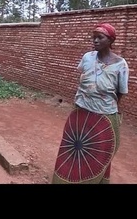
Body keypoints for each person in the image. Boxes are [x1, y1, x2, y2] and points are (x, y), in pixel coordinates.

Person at [52, 23, 129, 184]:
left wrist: (108, 105)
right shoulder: (88, 57)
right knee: (73, 148)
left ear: (110, 40)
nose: (95, 40)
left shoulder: (121, 64)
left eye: (100, 37)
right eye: (93, 37)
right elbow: (83, 76)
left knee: (98, 153)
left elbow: (121, 91)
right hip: (81, 111)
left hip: (104, 115)